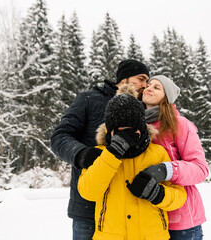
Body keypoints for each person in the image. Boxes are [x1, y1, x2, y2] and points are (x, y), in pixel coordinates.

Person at [50, 59, 150, 240]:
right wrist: (81, 154)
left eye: (147, 81)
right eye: (141, 78)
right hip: (88, 205)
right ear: (123, 78)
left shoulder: (142, 107)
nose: (145, 85)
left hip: (126, 210)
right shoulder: (89, 99)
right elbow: (59, 137)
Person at [77, 91, 187, 240]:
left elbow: (180, 196)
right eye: (120, 129)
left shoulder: (157, 153)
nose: (126, 133)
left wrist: (158, 194)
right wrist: (113, 153)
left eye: (131, 128)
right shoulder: (99, 154)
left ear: (141, 127)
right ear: (110, 130)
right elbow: (88, 192)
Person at [139, 75, 209, 240]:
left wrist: (166, 170)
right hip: (150, 219)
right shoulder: (137, 126)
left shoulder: (179, 124)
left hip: (181, 221)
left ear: (167, 97)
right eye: (148, 85)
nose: (148, 88)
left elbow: (200, 169)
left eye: (157, 87)